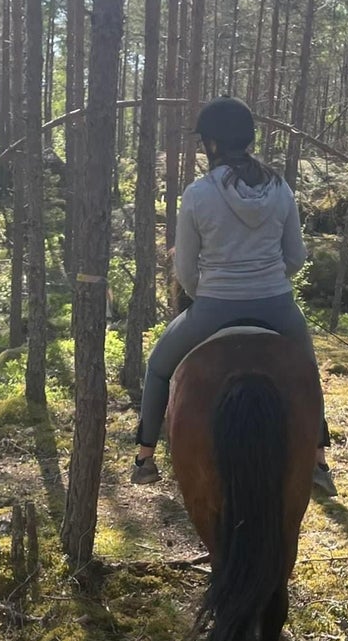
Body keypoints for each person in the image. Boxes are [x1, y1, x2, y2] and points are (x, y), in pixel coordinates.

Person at [131, 96, 335, 494]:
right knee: (308, 372)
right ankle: (319, 463)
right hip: (278, 306)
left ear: (211, 144)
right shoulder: (280, 188)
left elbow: (185, 269)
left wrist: (203, 294)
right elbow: (297, 256)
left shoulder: (198, 194)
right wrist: (270, 280)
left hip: (213, 307)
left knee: (157, 367)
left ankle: (144, 458)